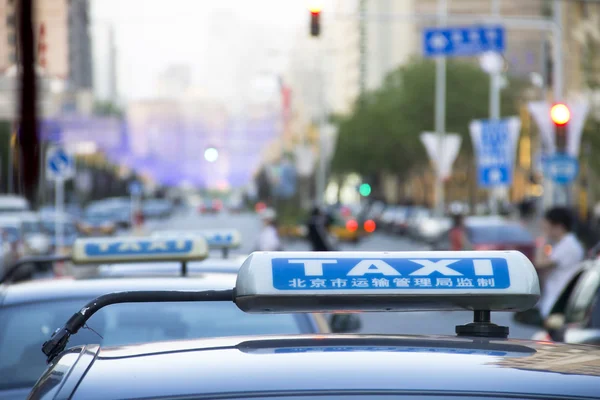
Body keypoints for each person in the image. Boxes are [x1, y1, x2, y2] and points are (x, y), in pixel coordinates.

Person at [536, 207, 585, 318]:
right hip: (555, 300)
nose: (544, 229)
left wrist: (543, 238)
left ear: (558, 226)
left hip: (559, 303)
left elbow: (540, 263)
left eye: (546, 227)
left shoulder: (568, 245)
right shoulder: (562, 244)